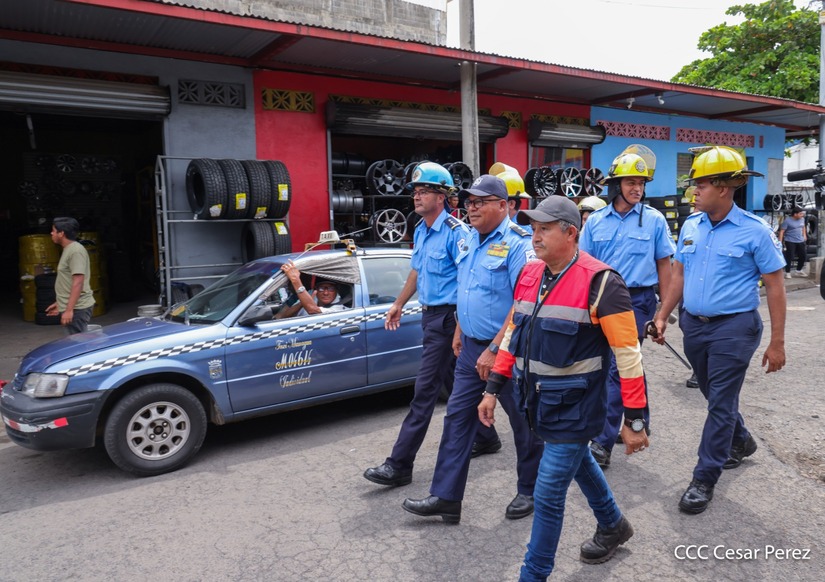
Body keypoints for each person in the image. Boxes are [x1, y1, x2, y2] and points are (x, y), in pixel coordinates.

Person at [478, 196, 648, 579]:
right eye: (533, 229)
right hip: (535, 404)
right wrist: (492, 388)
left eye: (544, 229)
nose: (534, 237)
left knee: (548, 493)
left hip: (577, 408)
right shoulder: (530, 274)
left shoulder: (603, 282)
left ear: (570, 233)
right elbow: (512, 338)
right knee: (580, 463)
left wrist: (634, 420)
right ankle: (613, 524)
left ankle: (533, 574)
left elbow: (629, 357)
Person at [401, 174, 543, 523]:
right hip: (470, 349)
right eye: (469, 201)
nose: (472, 207)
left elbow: (523, 303)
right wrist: (461, 330)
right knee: (457, 418)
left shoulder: (517, 244)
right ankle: (446, 496)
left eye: (480, 201)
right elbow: (467, 289)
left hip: (508, 350)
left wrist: (495, 347)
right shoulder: (468, 241)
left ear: (502, 205)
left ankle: (531, 490)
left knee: (522, 421)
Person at [653, 145, 786, 515]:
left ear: (724, 188)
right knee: (715, 396)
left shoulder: (755, 231)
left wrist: (776, 342)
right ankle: (741, 441)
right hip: (695, 326)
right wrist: (663, 314)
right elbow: (678, 274)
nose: (693, 191)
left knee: (721, 402)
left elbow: (775, 285)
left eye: (701, 185)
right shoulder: (691, 227)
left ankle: (704, 477)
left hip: (735, 327)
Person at [364, 162, 470, 487]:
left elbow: (468, 282)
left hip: (450, 318)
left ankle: (399, 465)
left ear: (442, 196)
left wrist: (460, 327)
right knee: (460, 383)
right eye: (415, 191)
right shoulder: (422, 229)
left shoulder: (457, 234)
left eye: (424, 191)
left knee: (424, 391)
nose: (416, 196)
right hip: (430, 316)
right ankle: (488, 436)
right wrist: (398, 303)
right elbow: (417, 271)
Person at [578, 152, 675, 468]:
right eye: (631, 182)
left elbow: (664, 265)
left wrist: (662, 312)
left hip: (638, 302)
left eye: (641, 183)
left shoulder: (655, 220)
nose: (637, 188)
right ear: (616, 185)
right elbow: (584, 266)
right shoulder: (594, 222)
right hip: (600, 300)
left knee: (617, 367)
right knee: (618, 363)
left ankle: (603, 441)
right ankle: (639, 419)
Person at [46, 217, 95, 334]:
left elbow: (78, 282)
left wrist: (69, 310)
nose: (51, 233)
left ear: (61, 233)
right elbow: (67, 280)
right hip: (73, 306)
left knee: (77, 346)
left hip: (78, 308)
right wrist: (60, 303)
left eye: (53, 230)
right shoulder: (69, 249)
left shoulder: (75, 251)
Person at [277, 261, 349, 318]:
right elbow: (282, 316)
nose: (326, 293)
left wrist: (295, 279)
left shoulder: (340, 307)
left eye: (331, 289)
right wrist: (302, 302)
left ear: (337, 290)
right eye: (321, 288)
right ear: (315, 289)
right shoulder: (311, 294)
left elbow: (313, 310)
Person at [778, 206, 808, 278]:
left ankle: (798, 270)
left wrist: (804, 235)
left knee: (803, 256)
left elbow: (803, 227)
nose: (802, 215)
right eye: (800, 214)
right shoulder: (787, 221)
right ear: (795, 214)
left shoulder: (802, 219)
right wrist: (780, 242)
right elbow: (782, 231)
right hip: (790, 241)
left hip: (800, 240)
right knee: (790, 256)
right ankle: (788, 272)